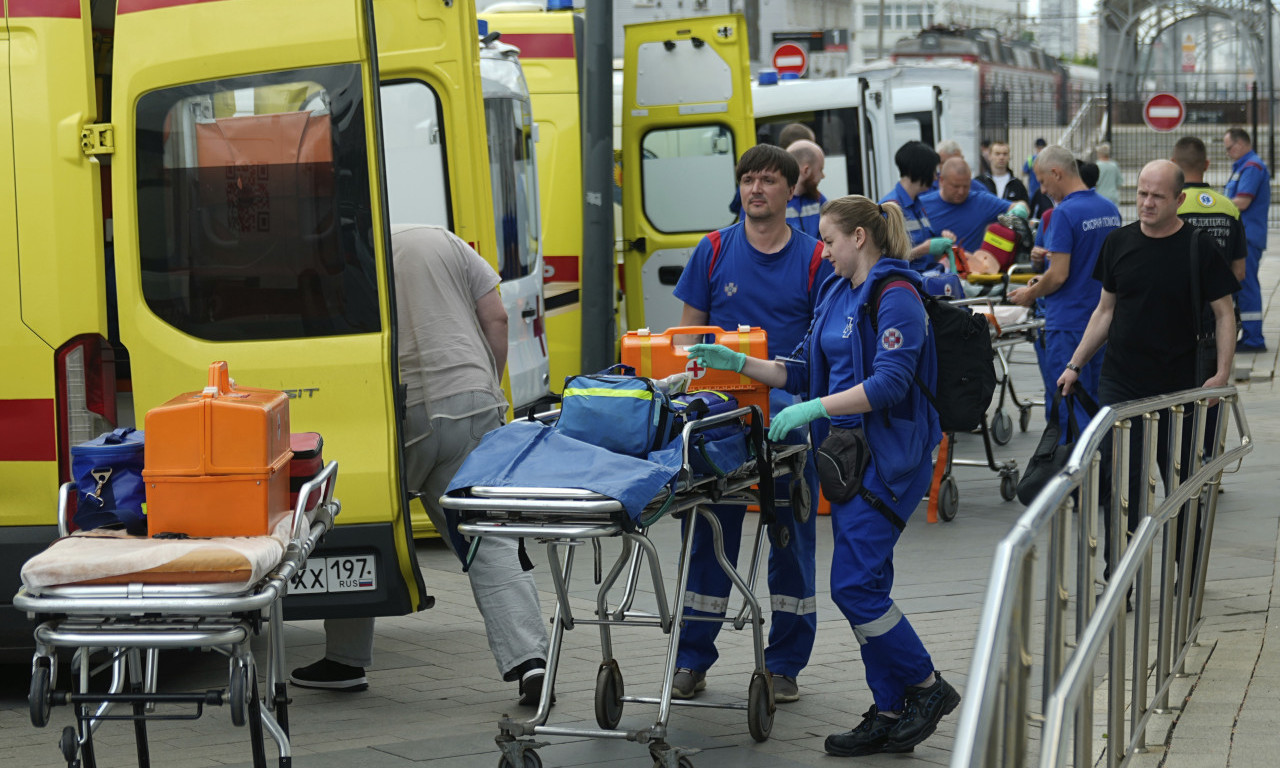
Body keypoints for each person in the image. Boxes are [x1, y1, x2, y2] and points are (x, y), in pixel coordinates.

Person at [682, 196, 958, 756]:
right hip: (851, 459)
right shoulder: (836, 293)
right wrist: (737, 362)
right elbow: (801, 368)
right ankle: (888, 708)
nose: (822, 251)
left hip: (893, 459)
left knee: (853, 586)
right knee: (868, 585)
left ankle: (927, 688)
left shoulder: (897, 295)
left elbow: (889, 385)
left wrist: (814, 410)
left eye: (829, 240)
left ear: (860, 238)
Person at [291, 225, 551, 706]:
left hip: (393, 413)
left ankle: (345, 660)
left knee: (357, 518)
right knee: (486, 538)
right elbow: (495, 318)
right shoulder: (440, 239)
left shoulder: (338, 255)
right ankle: (531, 664)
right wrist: (486, 386)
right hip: (470, 399)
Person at [671, 143, 830, 704]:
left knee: (791, 543)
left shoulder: (816, 259)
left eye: (767, 180)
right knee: (710, 542)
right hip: (721, 429)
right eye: (747, 179)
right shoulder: (713, 251)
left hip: (788, 427)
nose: (755, 189)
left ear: (792, 189)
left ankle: (784, 665)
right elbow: (685, 344)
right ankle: (690, 660)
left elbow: (825, 352)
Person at [1058, 160, 1238, 583]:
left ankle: (1187, 569)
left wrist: (1222, 374)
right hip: (1122, 380)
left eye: (1157, 196)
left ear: (1179, 199)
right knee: (1122, 484)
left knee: (1179, 484)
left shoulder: (1198, 247)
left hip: (1180, 386)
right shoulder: (1119, 242)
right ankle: (1122, 577)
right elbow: (1105, 311)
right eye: (1141, 193)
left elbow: (1224, 314)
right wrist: (1075, 364)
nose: (1147, 203)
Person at [1007, 145, 1120, 437]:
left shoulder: (1064, 214)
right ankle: (1099, 476)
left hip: (1068, 324)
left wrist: (1029, 293)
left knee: (1068, 407)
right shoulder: (1109, 210)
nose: (1043, 190)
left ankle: (1071, 479)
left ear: (1057, 173)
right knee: (1097, 404)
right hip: (1102, 323)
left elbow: (1058, 275)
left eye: (1043, 182)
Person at [1223, 127, 1270, 352]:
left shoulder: (1251, 167)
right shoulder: (1244, 166)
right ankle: (1247, 335)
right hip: (1246, 235)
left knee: (1246, 286)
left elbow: (1242, 201)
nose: (1228, 152)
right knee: (1242, 285)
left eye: (1229, 148)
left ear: (1241, 144)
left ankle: (1253, 340)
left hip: (1248, 236)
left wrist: (1217, 206)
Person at [919, 158, 1026, 254]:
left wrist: (1019, 210)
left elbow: (1020, 205)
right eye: (955, 186)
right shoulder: (922, 205)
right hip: (931, 272)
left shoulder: (981, 201)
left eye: (966, 186)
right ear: (941, 181)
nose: (961, 191)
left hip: (970, 273)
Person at [879, 141, 956, 272]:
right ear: (919, 170)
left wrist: (940, 244)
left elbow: (927, 253)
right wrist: (924, 248)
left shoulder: (918, 205)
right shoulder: (890, 207)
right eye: (932, 171)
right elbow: (886, 260)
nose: (935, 177)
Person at [785, 139, 827, 238]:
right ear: (806, 171)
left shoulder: (819, 201)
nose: (823, 176)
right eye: (820, 169)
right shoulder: (774, 202)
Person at [1094, 142, 1122, 208]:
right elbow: (1119, 182)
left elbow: (1095, 183)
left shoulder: (1096, 166)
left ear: (1099, 153)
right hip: (1112, 196)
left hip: (1100, 195)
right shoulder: (1114, 165)